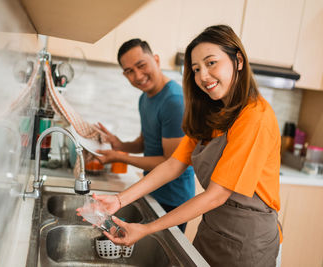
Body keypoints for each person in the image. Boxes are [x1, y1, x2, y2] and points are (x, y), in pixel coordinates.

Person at [86, 25, 283, 267]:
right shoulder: (211, 111)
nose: (203, 76)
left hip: (250, 240)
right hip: (213, 229)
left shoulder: (255, 116)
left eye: (211, 63)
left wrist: (147, 229)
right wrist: (119, 199)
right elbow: (173, 164)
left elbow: (216, 195)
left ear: (238, 60)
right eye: (196, 68)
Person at [95, 38, 195, 233]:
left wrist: (119, 157)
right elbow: (144, 143)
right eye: (129, 71)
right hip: (153, 191)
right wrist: (120, 145)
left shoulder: (174, 101)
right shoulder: (145, 98)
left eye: (141, 66)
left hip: (173, 200)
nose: (138, 76)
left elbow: (170, 162)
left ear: (156, 60)